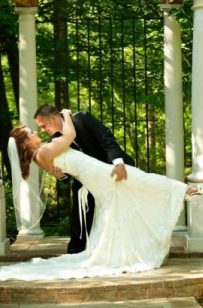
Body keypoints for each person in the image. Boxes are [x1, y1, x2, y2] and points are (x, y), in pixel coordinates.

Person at [0, 109, 203, 282]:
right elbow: (70, 136)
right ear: (26, 142)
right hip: (98, 174)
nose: (38, 132)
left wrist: (61, 171)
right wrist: (65, 113)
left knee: (131, 193)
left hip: (96, 173)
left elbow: (62, 170)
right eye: (33, 132)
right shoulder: (45, 150)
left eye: (40, 127)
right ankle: (185, 191)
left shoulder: (44, 150)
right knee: (142, 180)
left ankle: (180, 196)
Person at [34, 104, 135, 254]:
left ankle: (124, 248)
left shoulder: (81, 119)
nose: (43, 130)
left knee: (125, 211)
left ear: (53, 117)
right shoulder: (53, 141)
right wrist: (61, 176)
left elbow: (106, 139)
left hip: (112, 170)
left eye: (43, 125)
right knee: (79, 213)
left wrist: (118, 163)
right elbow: (67, 169)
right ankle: (76, 252)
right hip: (85, 181)